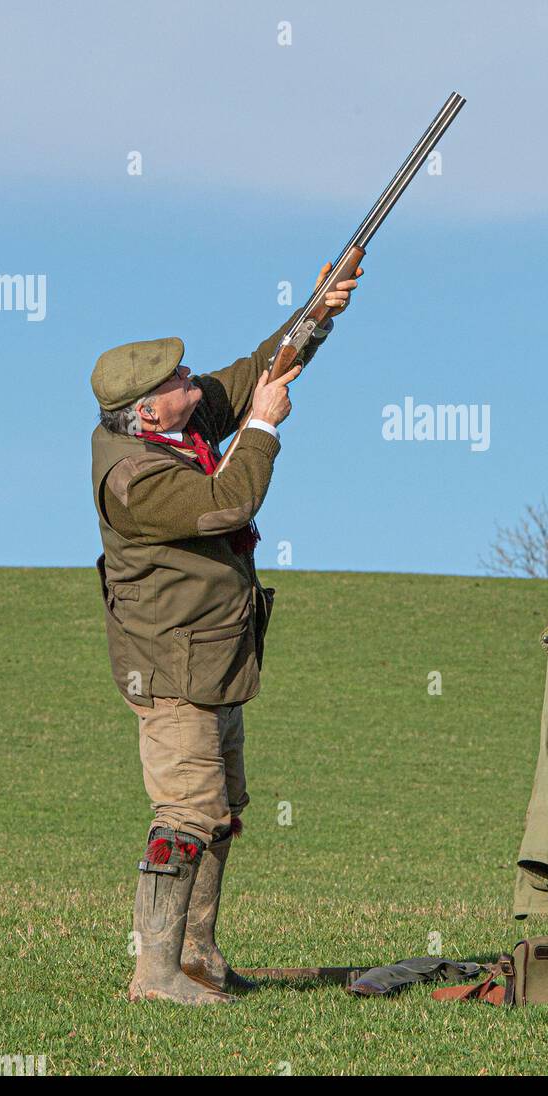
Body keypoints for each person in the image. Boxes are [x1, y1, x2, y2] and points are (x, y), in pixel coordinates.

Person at [89, 265, 359, 1003]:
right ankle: (154, 976)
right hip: (171, 669)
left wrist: (318, 310)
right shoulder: (135, 478)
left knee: (219, 813)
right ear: (147, 414)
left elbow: (250, 373)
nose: (194, 380)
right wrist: (265, 425)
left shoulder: (177, 422)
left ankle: (198, 959)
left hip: (214, 657)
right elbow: (230, 503)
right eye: (179, 378)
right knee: (183, 816)